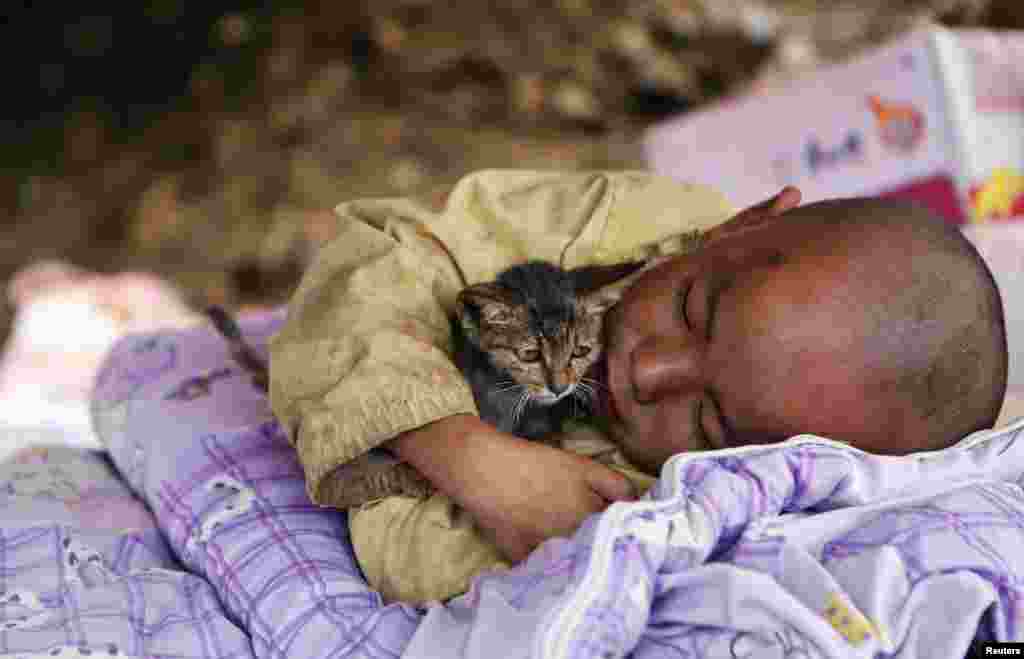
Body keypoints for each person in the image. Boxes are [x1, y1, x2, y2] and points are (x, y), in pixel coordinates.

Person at [268, 170, 1007, 603]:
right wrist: (463, 452)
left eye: (712, 423)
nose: (649, 372)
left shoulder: (658, 518)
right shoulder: (631, 224)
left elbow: (410, 555)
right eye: (691, 307)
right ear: (742, 226)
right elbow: (381, 255)